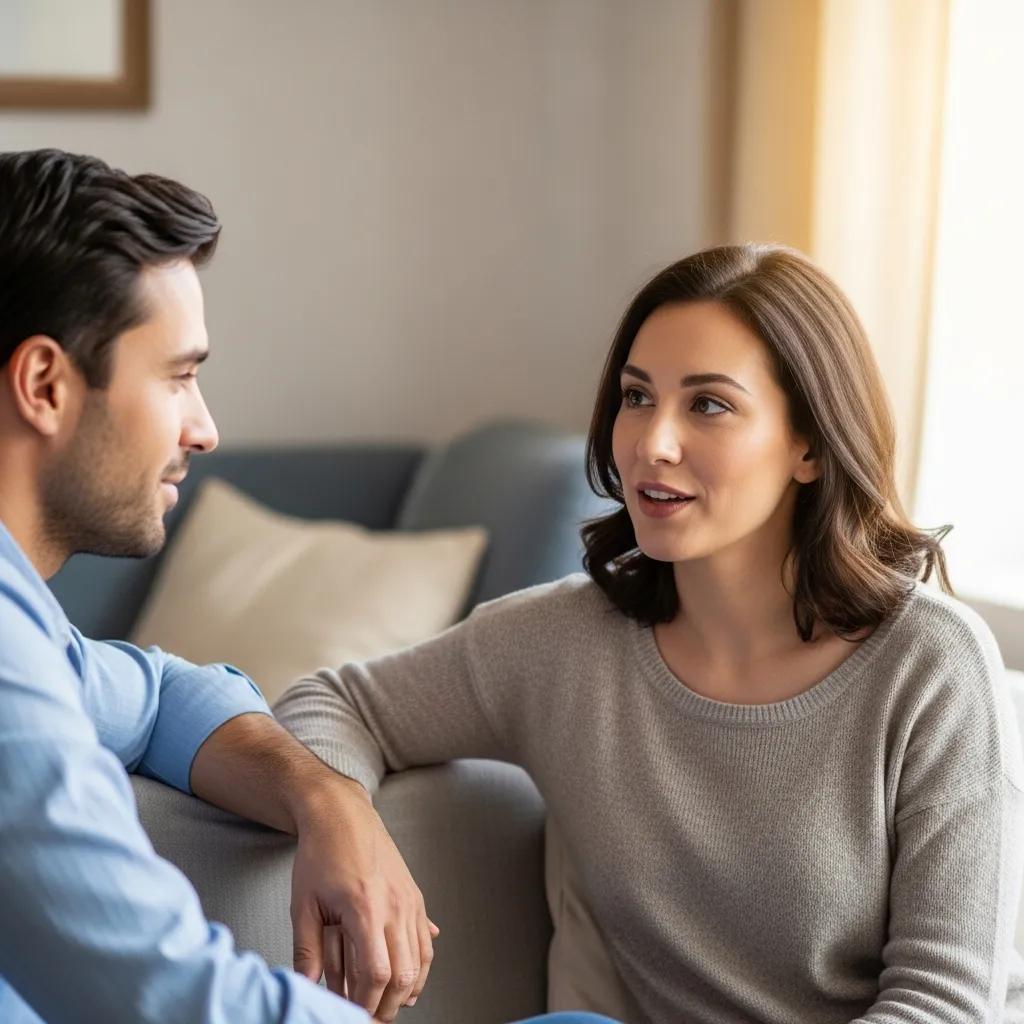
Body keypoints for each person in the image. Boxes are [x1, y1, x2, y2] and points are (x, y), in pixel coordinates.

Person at [276, 243, 1024, 1023]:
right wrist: (340, 821)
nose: (651, 443)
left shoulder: (931, 664)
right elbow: (333, 702)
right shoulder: (560, 645)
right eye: (637, 397)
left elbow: (943, 1005)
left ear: (808, 444)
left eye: (708, 404)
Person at [0, 148, 610, 1024]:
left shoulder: (28, 635)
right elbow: (172, 999)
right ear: (46, 385)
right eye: (178, 376)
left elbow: (166, 690)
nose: (204, 429)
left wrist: (331, 798)